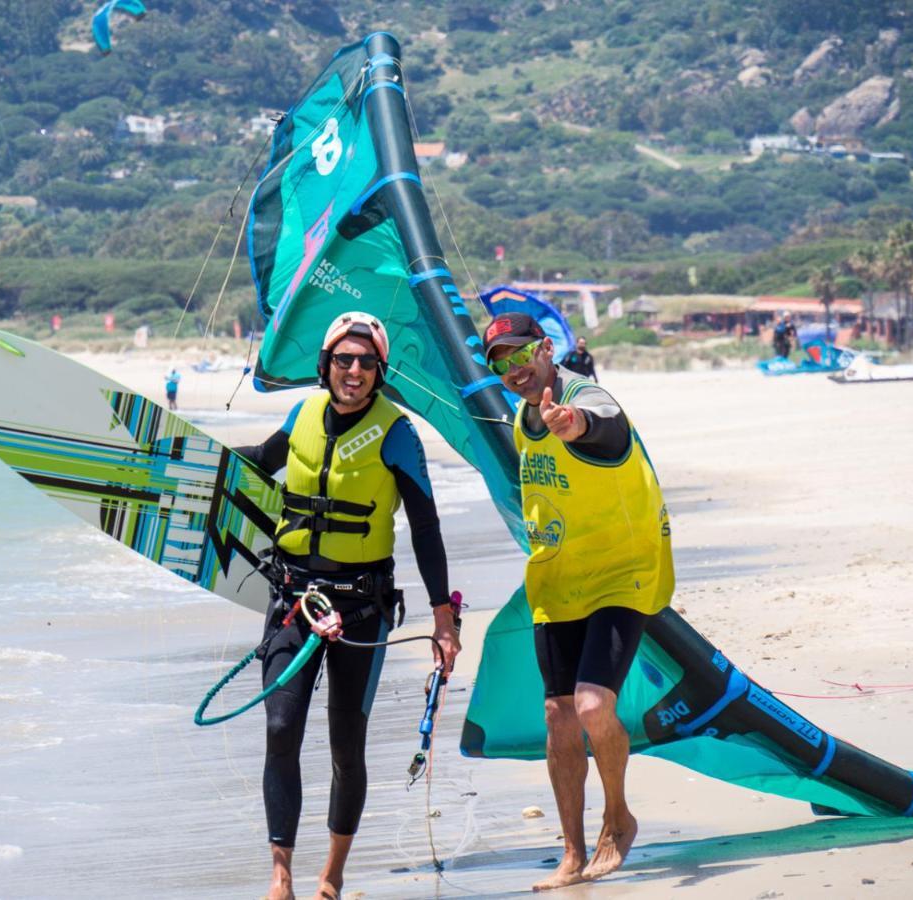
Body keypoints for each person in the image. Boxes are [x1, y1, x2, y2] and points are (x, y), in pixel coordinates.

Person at [235, 311, 461, 900]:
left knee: (345, 743)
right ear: (327, 366)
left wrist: (444, 619)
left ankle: (332, 874)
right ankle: (280, 873)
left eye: (364, 362)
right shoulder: (303, 413)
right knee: (281, 728)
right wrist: (183, 457)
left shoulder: (397, 432)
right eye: (343, 359)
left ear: (379, 371)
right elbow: (261, 459)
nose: (353, 371)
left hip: (363, 608)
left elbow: (426, 528)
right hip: (292, 598)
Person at [483, 312, 674, 892]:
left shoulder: (583, 396)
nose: (512, 369)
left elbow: (607, 427)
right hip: (560, 580)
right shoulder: (521, 417)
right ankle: (569, 849)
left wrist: (576, 424)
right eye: (499, 362)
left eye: (520, 354)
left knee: (593, 707)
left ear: (544, 347)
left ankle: (618, 819)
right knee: (558, 717)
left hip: (623, 572)